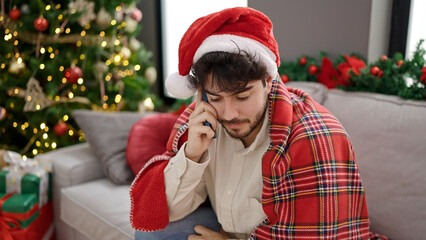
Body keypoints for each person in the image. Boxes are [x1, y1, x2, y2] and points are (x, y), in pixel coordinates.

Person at [130, 7, 370, 239]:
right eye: (215, 98)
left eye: (242, 97)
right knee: (152, 233)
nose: (229, 113)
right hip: (227, 227)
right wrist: (193, 155)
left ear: (268, 81)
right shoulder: (203, 121)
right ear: (203, 94)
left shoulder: (313, 139)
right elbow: (169, 211)